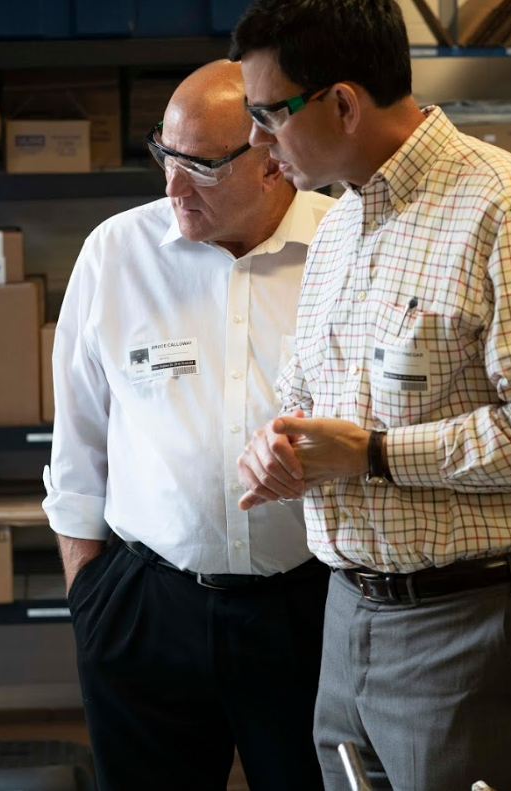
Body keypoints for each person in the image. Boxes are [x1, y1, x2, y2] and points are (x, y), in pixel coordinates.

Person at [230, 2, 511, 789]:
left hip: (474, 623)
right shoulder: (339, 228)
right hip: (350, 614)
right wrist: (282, 447)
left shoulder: (504, 206)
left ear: (341, 102)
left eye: (268, 114)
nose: (256, 143)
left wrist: (372, 455)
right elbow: (311, 397)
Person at [42, 59, 335, 791]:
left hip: (310, 607)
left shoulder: (345, 248)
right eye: (164, 156)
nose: (171, 186)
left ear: (272, 160)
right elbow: (77, 444)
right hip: (147, 608)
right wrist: (92, 600)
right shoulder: (117, 253)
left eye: (200, 166)